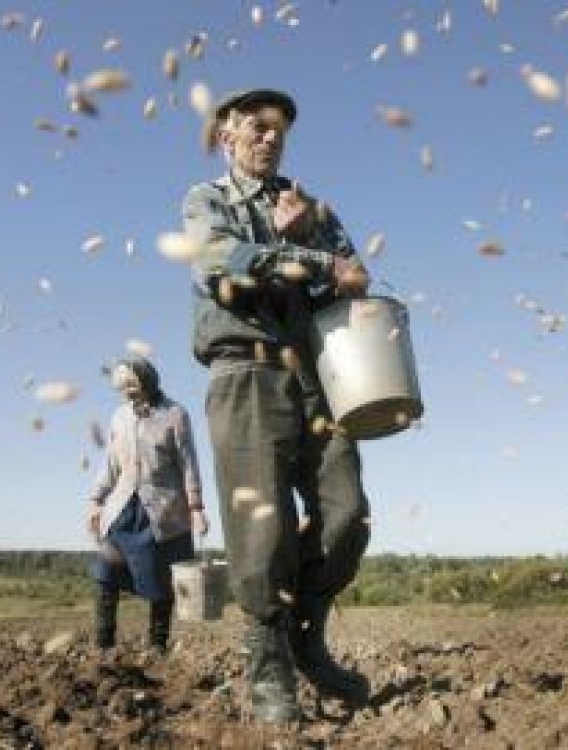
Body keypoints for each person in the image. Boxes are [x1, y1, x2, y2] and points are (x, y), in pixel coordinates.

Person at [182, 88, 372, 723]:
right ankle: (270, 673)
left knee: (347, 515)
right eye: (256, 128)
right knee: (262, 537)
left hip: (314, 376)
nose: (269, 139)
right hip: (246, 374)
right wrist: (308, 254)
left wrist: (315, 245)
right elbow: (223, 267)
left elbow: (354, 275)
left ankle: (305, 636)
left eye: (279, 132)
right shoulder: (205, 201)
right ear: (225, 137)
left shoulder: (310, 206)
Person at [86, 356, 208, 655]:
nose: (125, 389)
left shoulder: (175, 415)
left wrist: (195, 507)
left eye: (131, 382)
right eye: (121, 384)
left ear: (147, 378)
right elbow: (111, 463)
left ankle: (157, 647)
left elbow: (188, 463)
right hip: (123, 509)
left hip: (163, 513)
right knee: (106, 570)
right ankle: (104, 646)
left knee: (161, 583)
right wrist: (96, 499)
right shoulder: (119, 417)